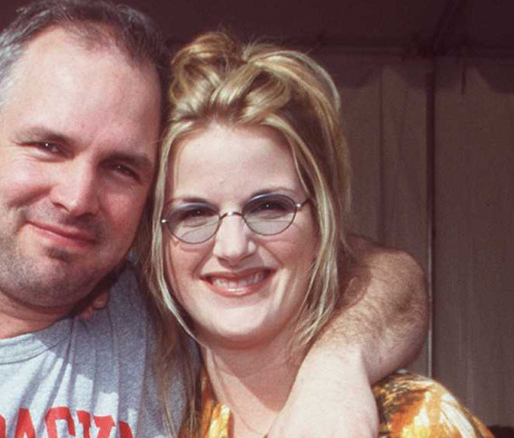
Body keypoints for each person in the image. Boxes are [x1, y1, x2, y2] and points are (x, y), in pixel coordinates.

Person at [0, 1, 425, 437]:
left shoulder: (161, 319)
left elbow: (382, 274)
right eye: (48, 146)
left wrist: (336, 368)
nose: (76, 196)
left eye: (121, 167)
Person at [144, 30, 491, 437]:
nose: (234, 247)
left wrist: (337, 367)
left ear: (321, 224)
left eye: (269, 207)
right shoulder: (140, 415)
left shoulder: (416, 422)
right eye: (194, 213)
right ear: (156, 240)